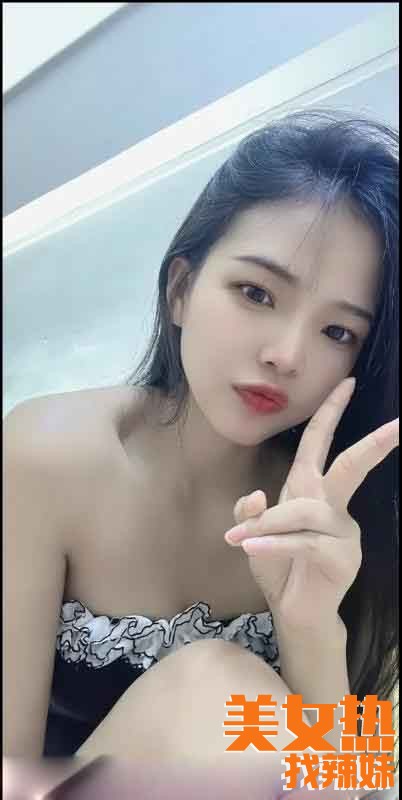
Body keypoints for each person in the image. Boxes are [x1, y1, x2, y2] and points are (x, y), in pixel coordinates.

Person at [4, 107, 399, 797]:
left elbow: (347, 784)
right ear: (181, 289)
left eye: (338, 332)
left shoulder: (342, 516)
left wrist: (310, 628)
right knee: (213, 686)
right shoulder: (47, 459)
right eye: (256, 293)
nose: (286, 354)